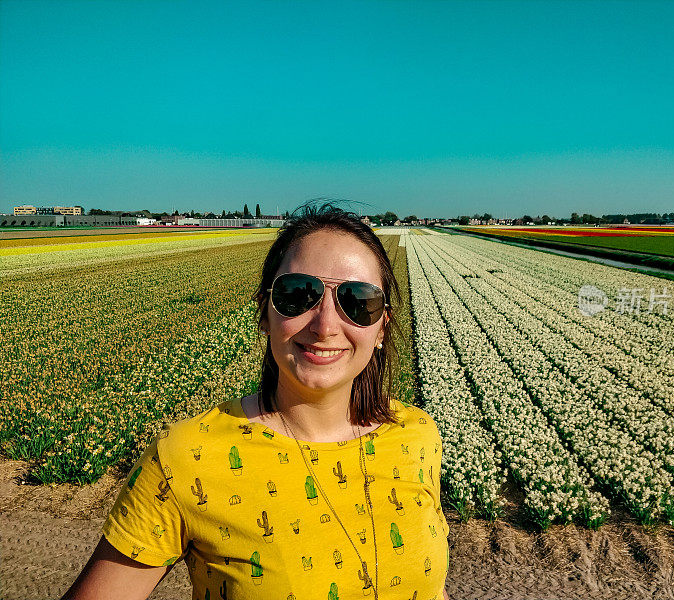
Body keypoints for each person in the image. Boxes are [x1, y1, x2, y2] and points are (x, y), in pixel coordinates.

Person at [62, 203, 450, 600]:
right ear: (265, 312)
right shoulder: (186, 459)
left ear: (382, 325)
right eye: (298, 295)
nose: (325, 326)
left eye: (357, 300)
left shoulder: (417, 437)